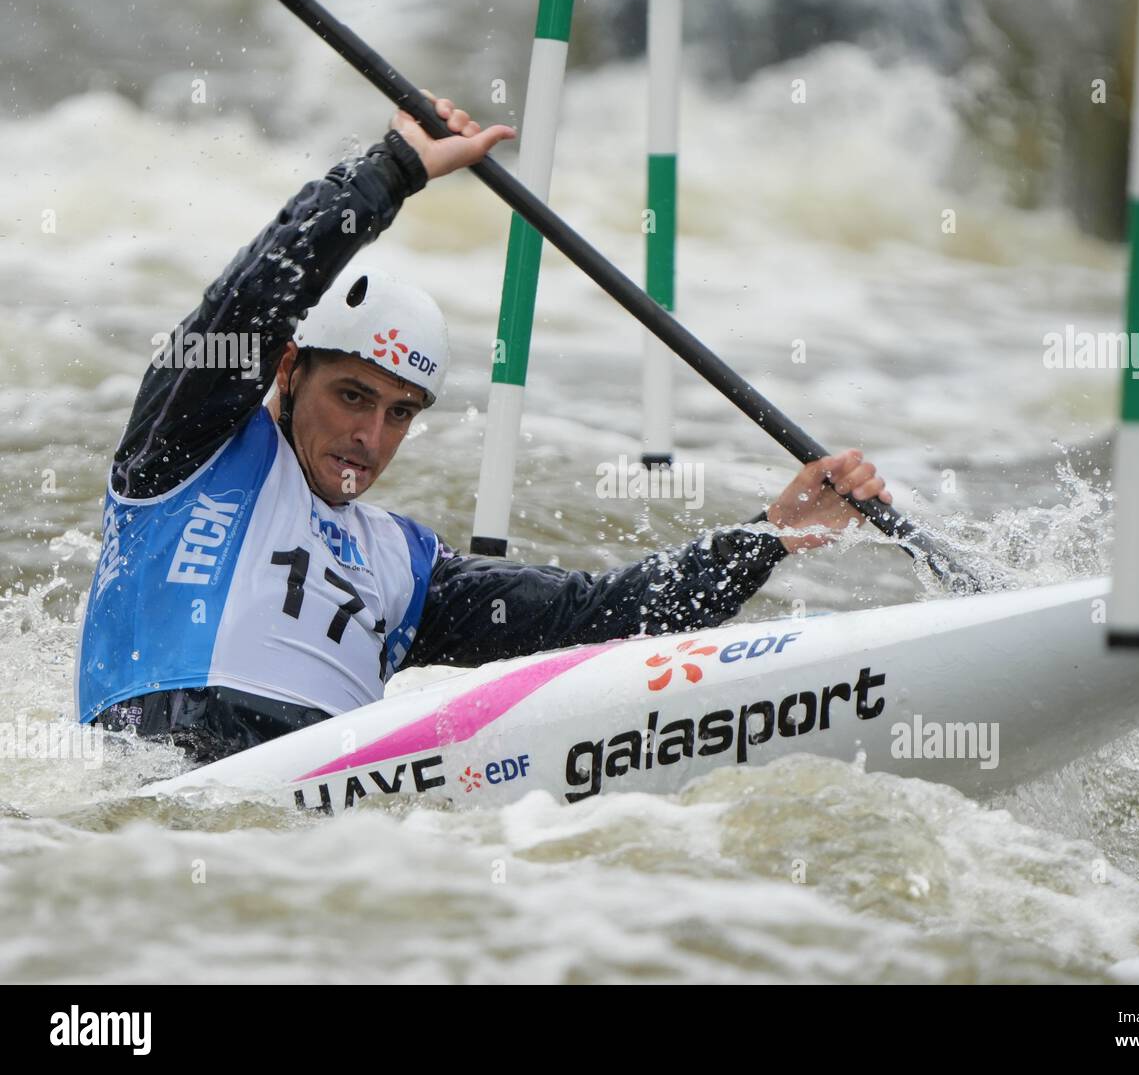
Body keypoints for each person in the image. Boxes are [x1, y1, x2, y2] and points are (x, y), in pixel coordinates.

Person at [76, 92, 892, 764]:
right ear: (288, 374)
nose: (371, 435)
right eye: (353, 396)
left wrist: (773, 535)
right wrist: (390, 171)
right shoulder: (187, 450)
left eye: (399, 413)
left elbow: (595, 617)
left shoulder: (404, 565)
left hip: (321, 808)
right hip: (167, 771)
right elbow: (251, 296)